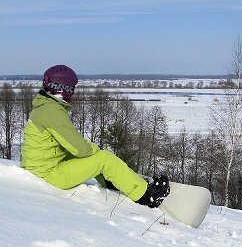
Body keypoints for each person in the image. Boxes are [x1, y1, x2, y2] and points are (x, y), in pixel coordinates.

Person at [20, 64, 170, 208]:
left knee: (95, 157)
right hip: (48, 175)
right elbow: (80, 149)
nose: (72, 93)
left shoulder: (45, 108)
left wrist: (91, 150)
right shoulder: (52, 111)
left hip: (43, 169)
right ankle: (147, 195)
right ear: (62, 88)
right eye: (71, 89)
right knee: (104, 158)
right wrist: (94, 148)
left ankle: (119, 182)